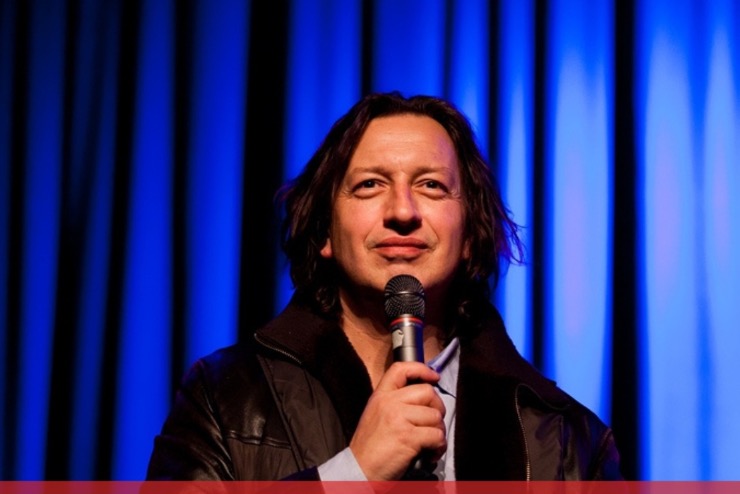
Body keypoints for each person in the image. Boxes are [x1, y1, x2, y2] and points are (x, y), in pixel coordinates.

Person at [146, 92, 622, 481]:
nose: (402, 211)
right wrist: (356, 474)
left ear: (470, 237)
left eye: (431, 186)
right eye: (371, 185)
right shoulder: (227, 396)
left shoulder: (567, 439)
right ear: (325, 232)